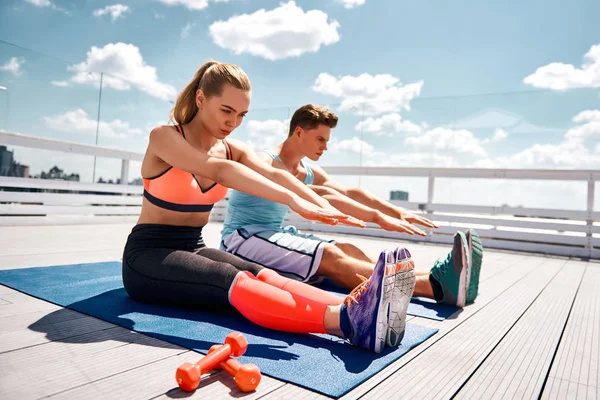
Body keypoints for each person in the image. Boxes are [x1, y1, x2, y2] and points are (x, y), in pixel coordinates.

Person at [122, 61, 416, 354]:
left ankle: (355, 304)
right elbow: (218, 170)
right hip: (148, 254)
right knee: (229, 280)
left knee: (264, 274)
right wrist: (292, 200)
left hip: (194, 246)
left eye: (241, 115)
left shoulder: (233, 148)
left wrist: (318, 203)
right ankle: (345, 322)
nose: (233, 122)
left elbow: (276, 174)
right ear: (201, 98)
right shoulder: (164, 137)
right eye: (226, 111)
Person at [220, 104, 484, 315]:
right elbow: (321, 195)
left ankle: (443, 277)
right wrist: (375, 216)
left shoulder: (306, 170)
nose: (325, 146)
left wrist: (392, 211)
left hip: (272, 234)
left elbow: (347, 192)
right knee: (332, 257)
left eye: (327, 140)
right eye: (320, 139)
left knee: (348, 251)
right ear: (298, 132)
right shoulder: (266, 161)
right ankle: (436, 287)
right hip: (241, 238)